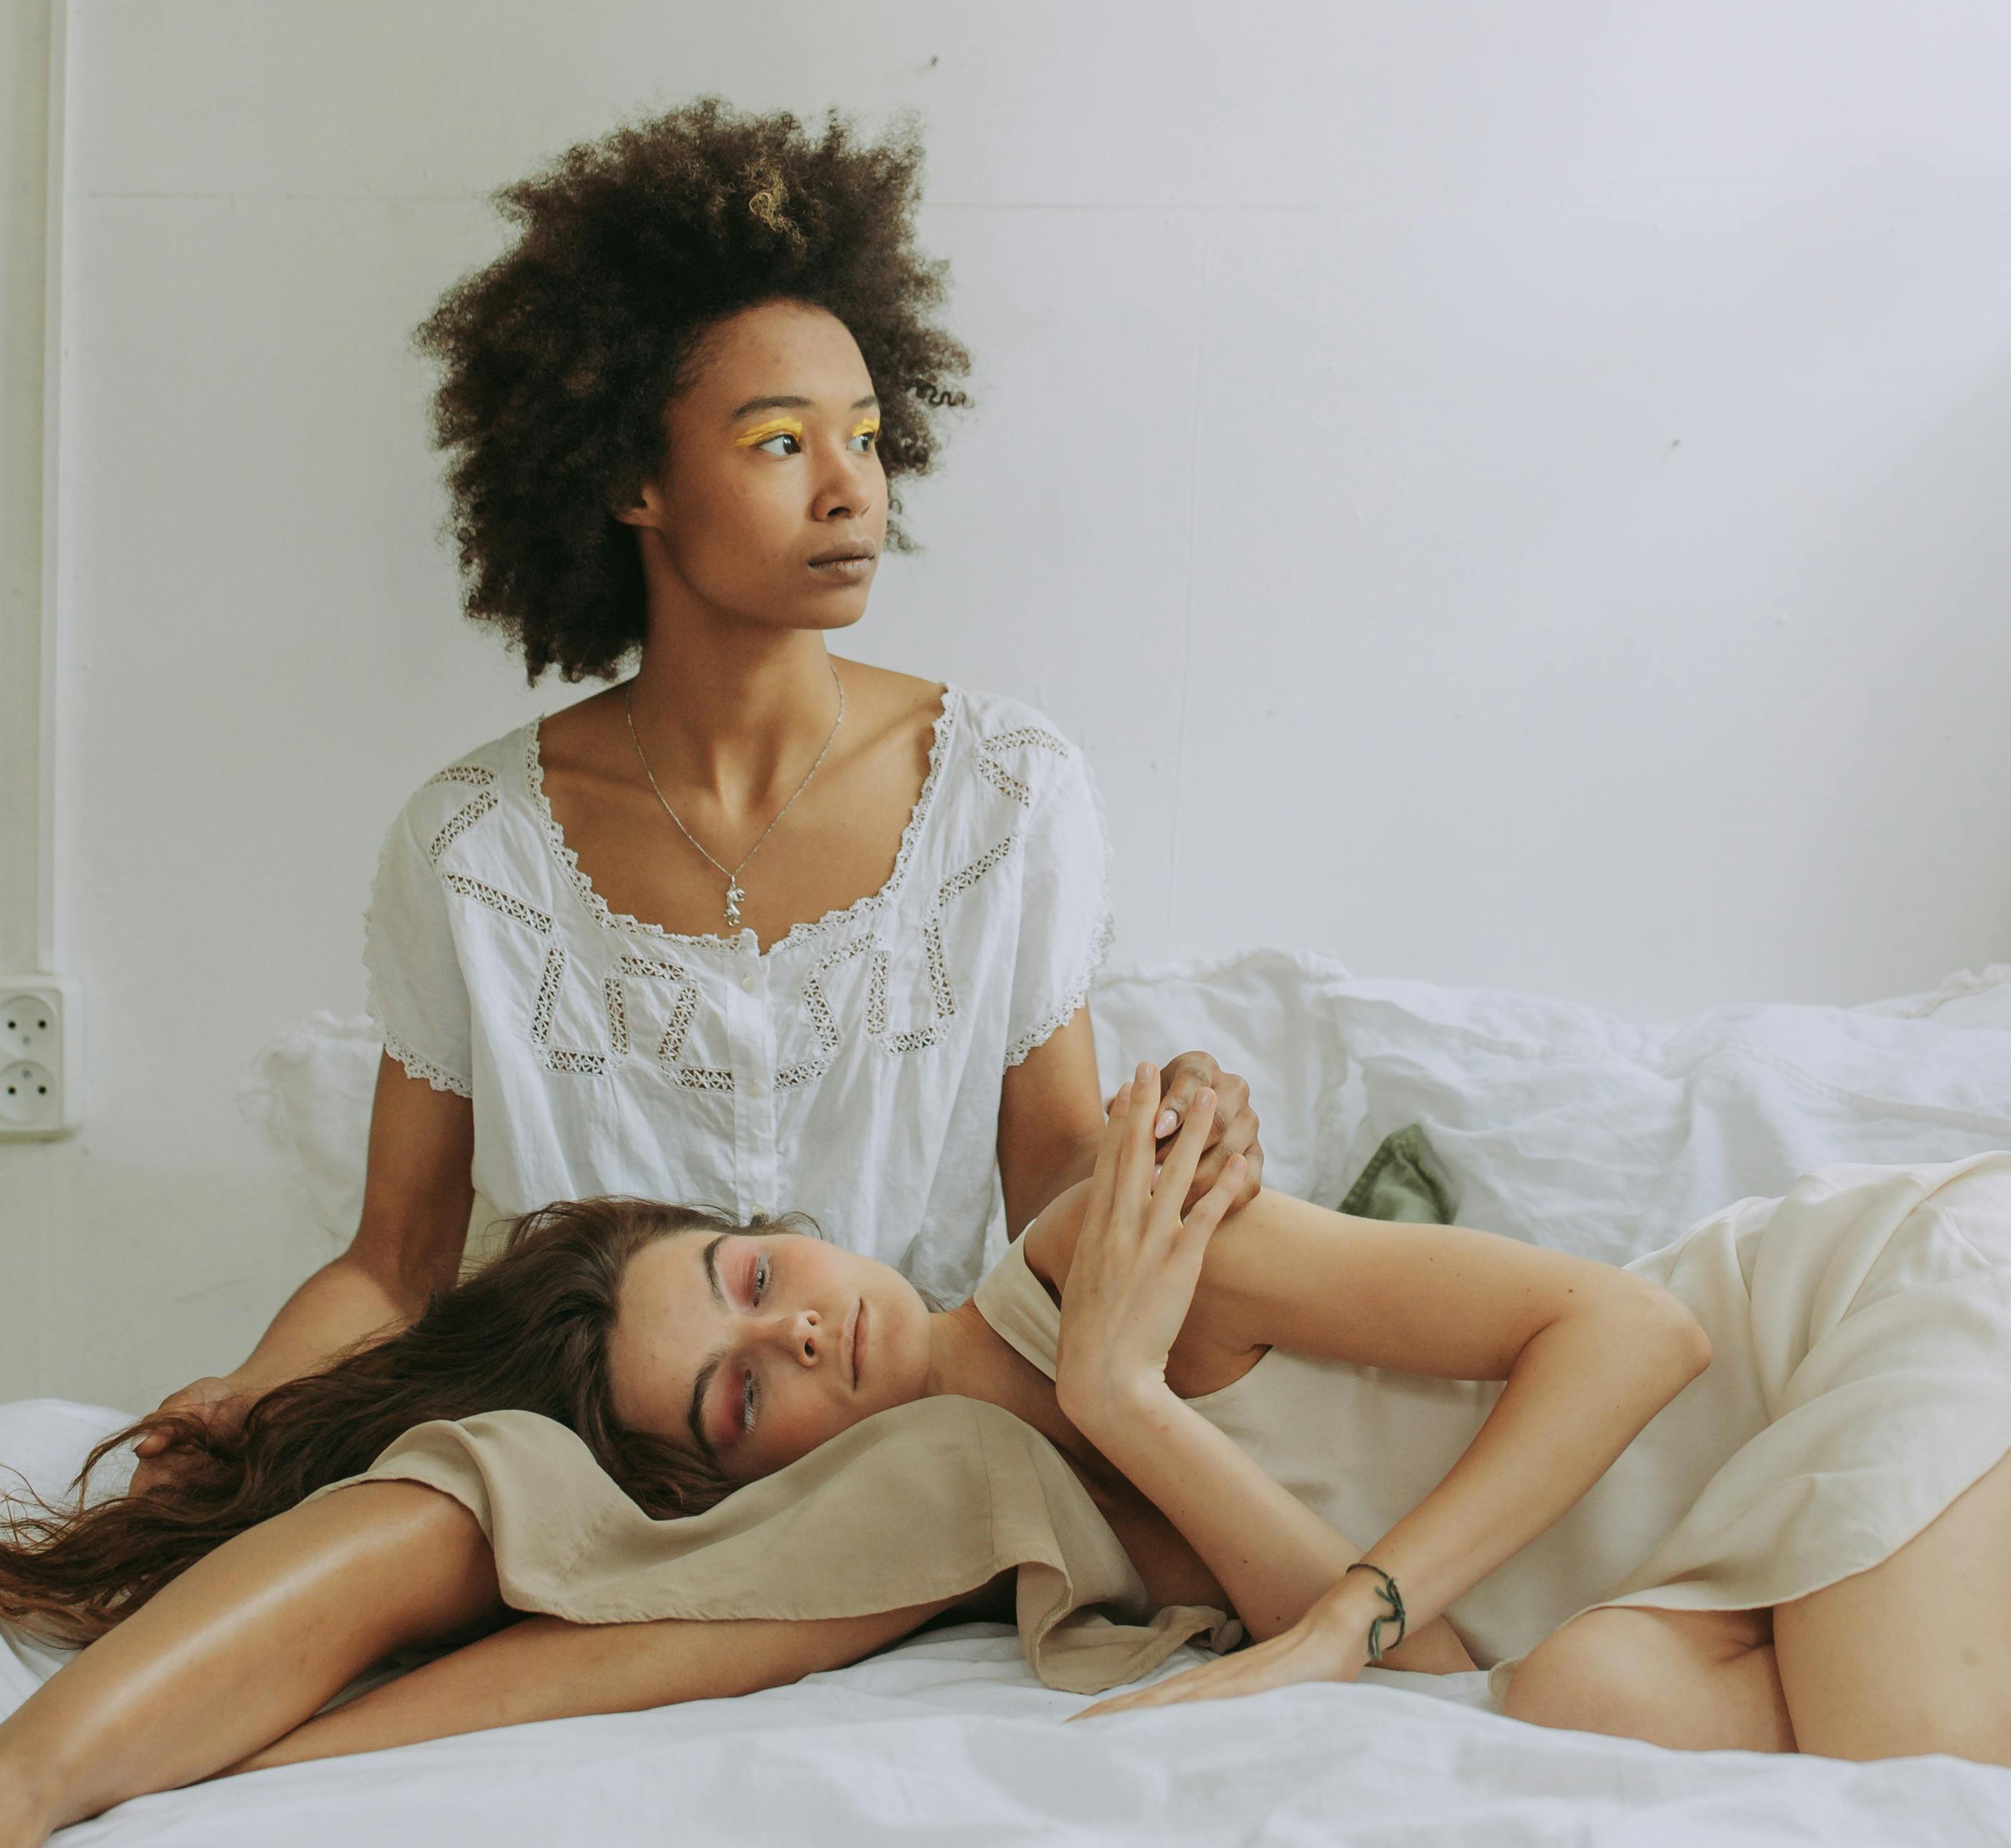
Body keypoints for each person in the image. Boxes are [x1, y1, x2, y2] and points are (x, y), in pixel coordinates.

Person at [0, 1074, 2011, 1848]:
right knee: (1579, 1697)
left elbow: (1636, 1317)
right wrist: (197, 1757)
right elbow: (1409, 1654)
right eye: (737, 1393)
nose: (803, 1343)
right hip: (1701, 1566)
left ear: (805, 1216)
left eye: (762, 1274)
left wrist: (1161, 1378)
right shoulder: (986, 1493)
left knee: (1942, 1737)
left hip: (1890, 1306)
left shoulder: (1093, 1241)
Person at [143, 100, 1259, 1471]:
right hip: (583, 1471)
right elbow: (394, 1267)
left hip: (901, 1458)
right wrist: (244, 1400)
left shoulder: (1005, 793)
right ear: (630, 480)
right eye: (781, 443)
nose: (851, 491)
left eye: (866, 434)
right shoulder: (476, 845)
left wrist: (1176, 1150)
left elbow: (1053, 1193)